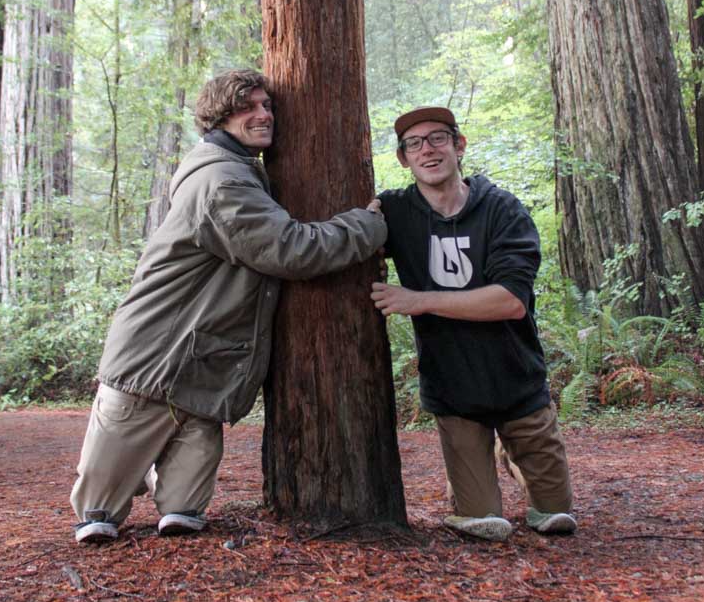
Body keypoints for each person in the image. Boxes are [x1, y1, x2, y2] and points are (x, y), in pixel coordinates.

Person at [71, 69, 386, 544]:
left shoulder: (240, 171)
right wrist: (370, 225)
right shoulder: (222, 181)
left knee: (184, 515)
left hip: (202, 370)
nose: (263, 115)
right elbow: (290, 249)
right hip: (150, 363)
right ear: (219, 117)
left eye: (266, 106)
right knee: (98, 516)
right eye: (247, 107)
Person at [370, 106, 575, 542]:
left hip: (517, 380)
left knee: (555, 516)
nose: (427, 150)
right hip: (454, 390)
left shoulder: (502, 210)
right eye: (414, 144)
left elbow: (510, 302)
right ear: (404, 159)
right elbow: (348, 233)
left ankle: (514, 452)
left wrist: (417, 300)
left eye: (438, 138)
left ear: (459, 145)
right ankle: (486, 465)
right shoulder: (395, 213)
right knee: (484, 522)